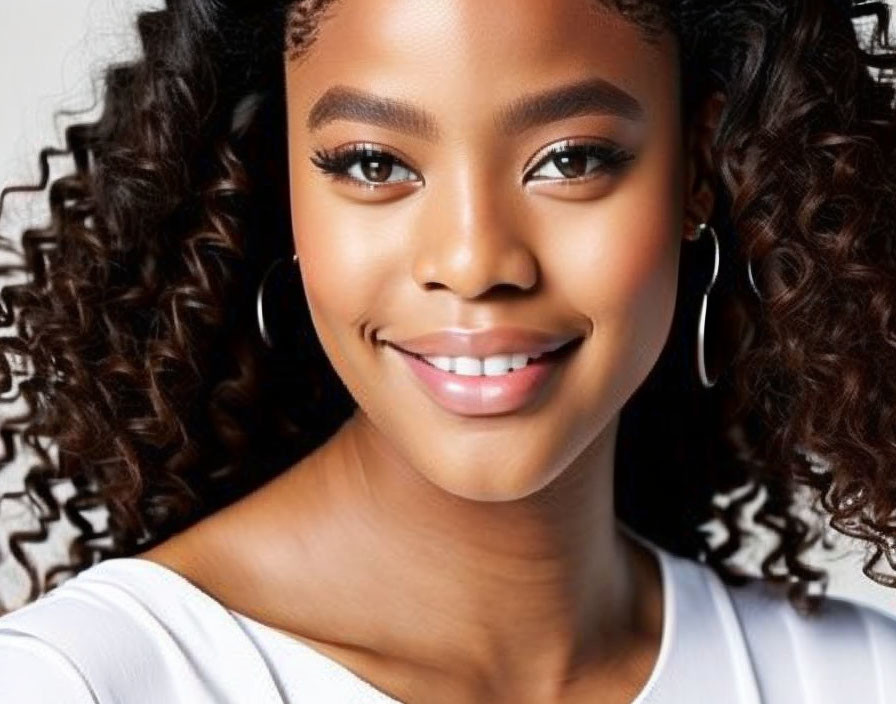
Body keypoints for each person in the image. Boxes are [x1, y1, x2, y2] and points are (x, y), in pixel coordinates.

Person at [1, 0, 896, 701]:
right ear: (277, 179)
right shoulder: (82, 684)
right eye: (373, 164)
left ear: (697, 165)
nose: (472, 262)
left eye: (571, 158)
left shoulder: (854, 680)